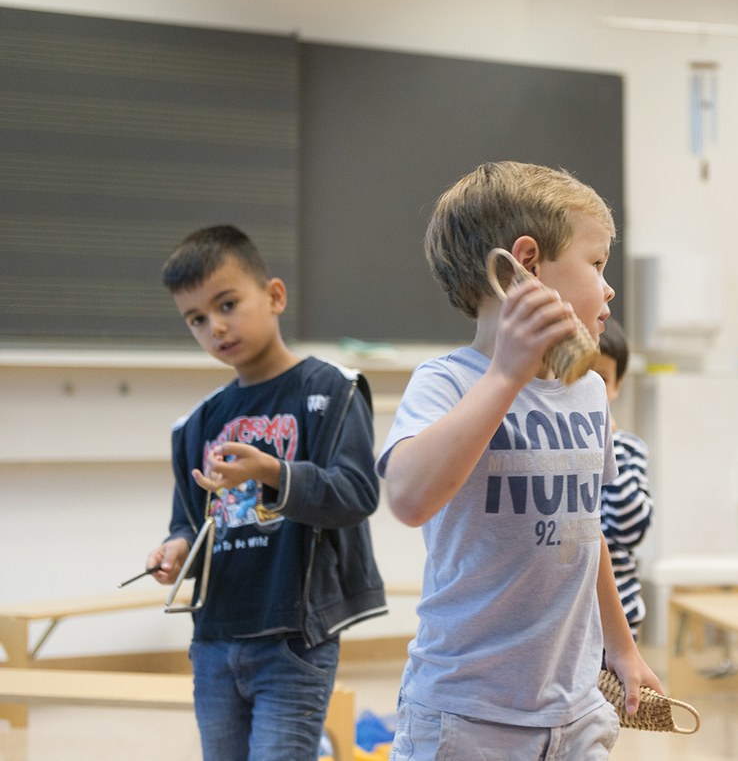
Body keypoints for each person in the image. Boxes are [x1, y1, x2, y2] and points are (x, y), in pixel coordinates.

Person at [378, 161, 661, 760]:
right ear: (527, 263)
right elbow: (407, 498)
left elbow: (584, 530)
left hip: (576, 708)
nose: (609, 288)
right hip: (466, 713)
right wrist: (507, 374)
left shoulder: (588, 390)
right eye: (597, 263)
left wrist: (622, 646)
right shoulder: (447, 382)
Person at [147, 225, 387, 761]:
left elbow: (357, 494)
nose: (216, 327)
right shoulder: (197, 423)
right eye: (196, 319)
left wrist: (274, 472)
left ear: (275, 296)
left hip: (292, 638)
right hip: (215, 638)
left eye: (227, 304)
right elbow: (189, 521)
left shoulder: (331, 389)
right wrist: (176, 549)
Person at [593, 320, 654, 640]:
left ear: (617, 385)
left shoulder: (629, 448)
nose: (589, 388)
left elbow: (630, 529)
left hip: (619, 616)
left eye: (601, 379)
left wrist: (608, 445)